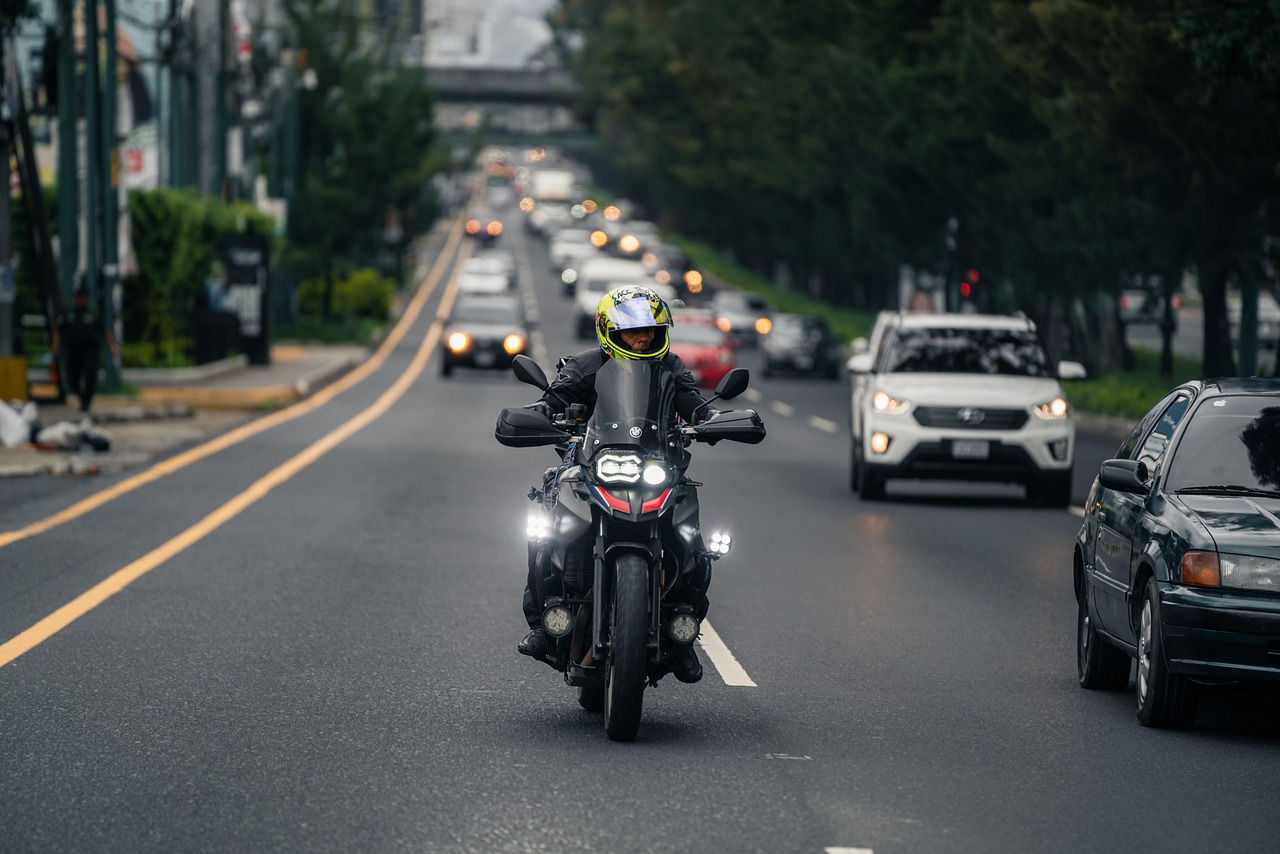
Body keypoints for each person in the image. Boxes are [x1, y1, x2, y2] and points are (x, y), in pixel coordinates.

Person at [517, 284, 714, 683]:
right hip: (592, 465)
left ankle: (681, 637)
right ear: (610, 331)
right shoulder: (585, 365)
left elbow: (693, 403)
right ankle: (542, 624)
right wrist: (541, 412)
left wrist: (711, 420)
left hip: (657, 466)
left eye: (651, 332)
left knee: (696, 543)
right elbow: (554, 399)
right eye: (633, 332)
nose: (643, 338)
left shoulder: (670, 368)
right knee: (545, 530)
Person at [52, 286, 119, 414]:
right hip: (73, 350)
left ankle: (86, 402)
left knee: (90, 375)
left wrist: (113, 347)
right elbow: (58, 330)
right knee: (72, 377)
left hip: (90, 350)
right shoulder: (68, 314)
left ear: (87, 298)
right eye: (78, 297)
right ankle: (82, 397)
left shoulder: (93, 315)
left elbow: (105, 332)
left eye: (83, 297)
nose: (81, 300)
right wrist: (55, 346)